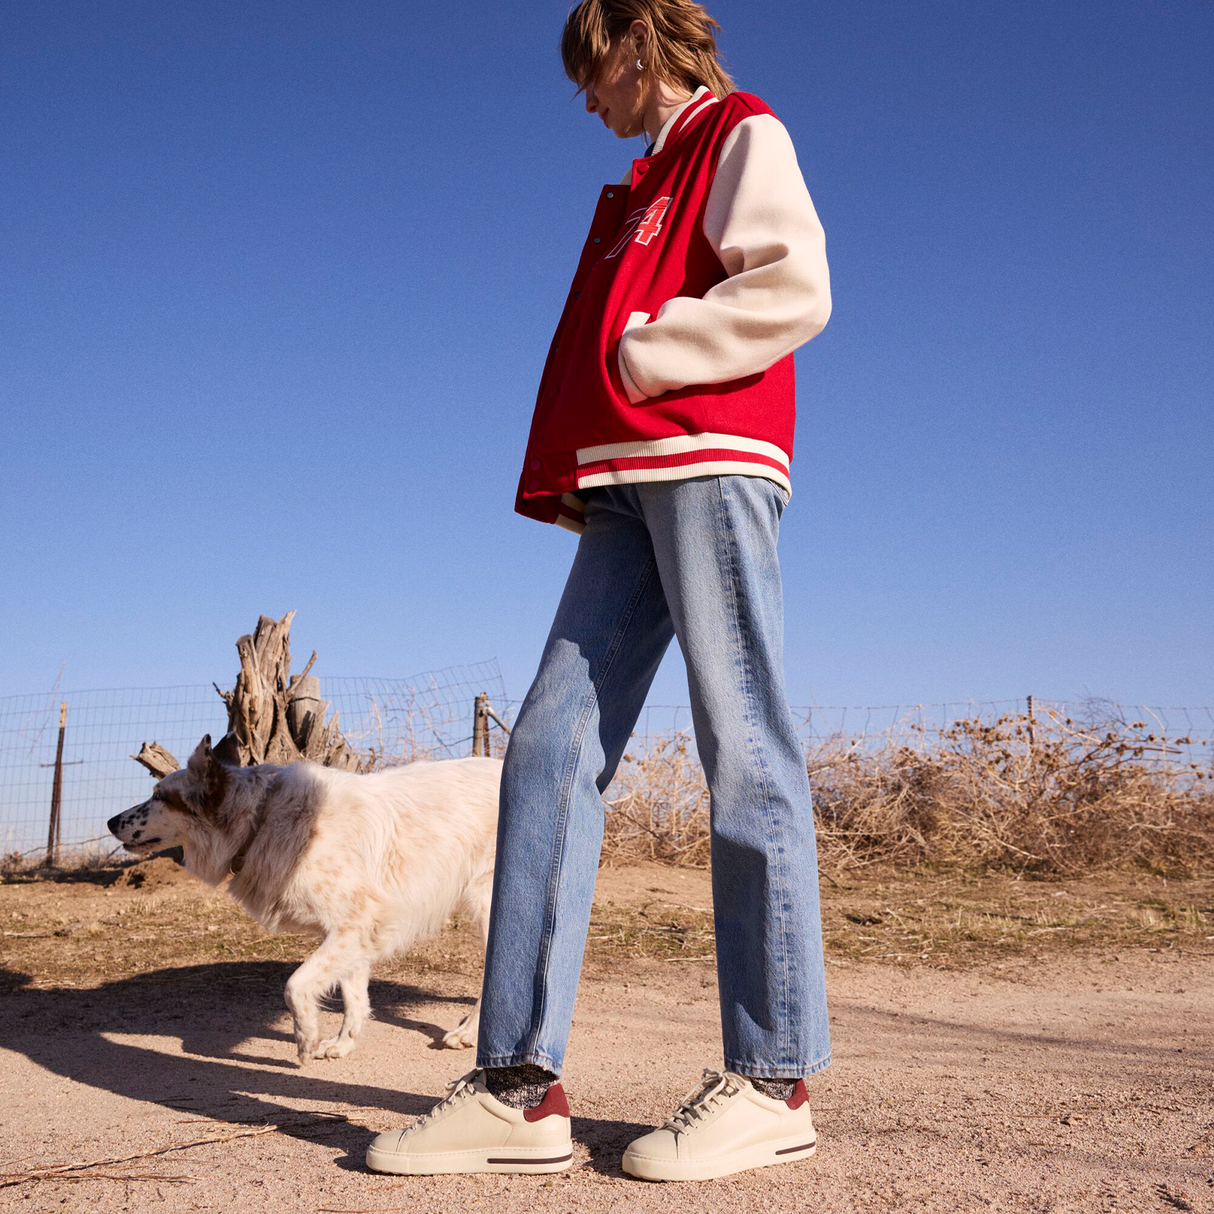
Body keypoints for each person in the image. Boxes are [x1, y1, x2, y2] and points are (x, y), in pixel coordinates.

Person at [367, 0, 833, 1182]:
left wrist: (646, 351)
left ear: (636, 40)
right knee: (546, 747)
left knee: (745, 743)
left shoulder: (737, 130)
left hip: (710, 461)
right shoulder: (642, 183)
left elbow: (792, 283)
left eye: (590, 69)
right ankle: (518, 1086)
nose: (584, 95)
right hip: (630, 486)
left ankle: (773, 1077)